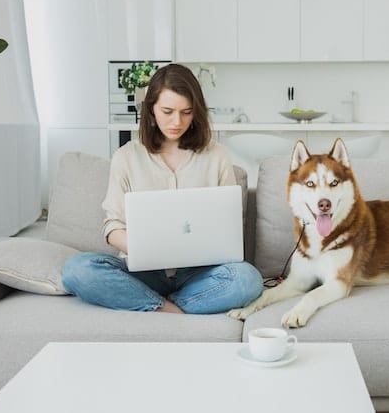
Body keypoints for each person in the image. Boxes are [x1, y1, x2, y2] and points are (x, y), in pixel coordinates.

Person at [62, 63, 263, 314]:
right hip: (144, 271)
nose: (177, 122)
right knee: (77, 270)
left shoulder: (217, 155)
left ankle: (156, 304)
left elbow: (229, 228)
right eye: (167, 111)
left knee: (247, 280)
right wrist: (148, 249)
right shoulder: (126, 157)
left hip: (199, 272)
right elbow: (112, 227)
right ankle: (168, 307)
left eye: (186, 112)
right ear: (151, 110)